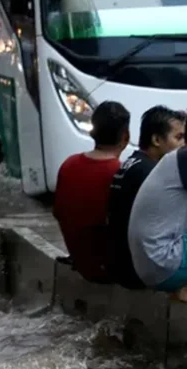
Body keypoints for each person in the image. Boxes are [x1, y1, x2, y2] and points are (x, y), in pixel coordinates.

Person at [53, 101, 130, 284]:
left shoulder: (69, 164)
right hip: (109, 271)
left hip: (82, 264)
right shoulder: (121, 173)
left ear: (92, 131)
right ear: (126, 137)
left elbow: (58, 212)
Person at [108, 106, 185, 290]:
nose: (183, 145)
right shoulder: (147, 171)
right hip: (140, 269)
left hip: (123, 264)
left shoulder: (133, 164)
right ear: (156, 140)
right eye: (179, 137)